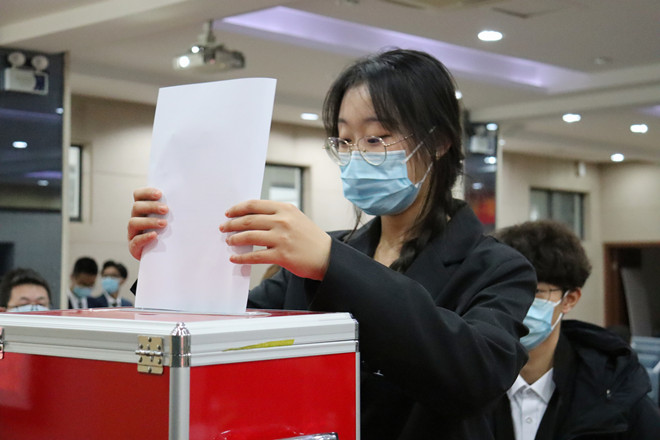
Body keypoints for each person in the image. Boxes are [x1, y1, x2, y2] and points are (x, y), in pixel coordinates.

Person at [128, 49, 536, 439]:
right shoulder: (322, 258)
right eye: (344, 141)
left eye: (376, 138)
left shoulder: (498, 267)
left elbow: (476, 376)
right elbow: (219, 335)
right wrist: (168, 251)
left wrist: (332, 262)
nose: (356, 155)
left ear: (440, 141)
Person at [488, 220, 660, 439]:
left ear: (569, 299)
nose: (517, 304)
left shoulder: (613, 390)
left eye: (535, 292)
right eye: (507, 290)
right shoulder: (468, 380)